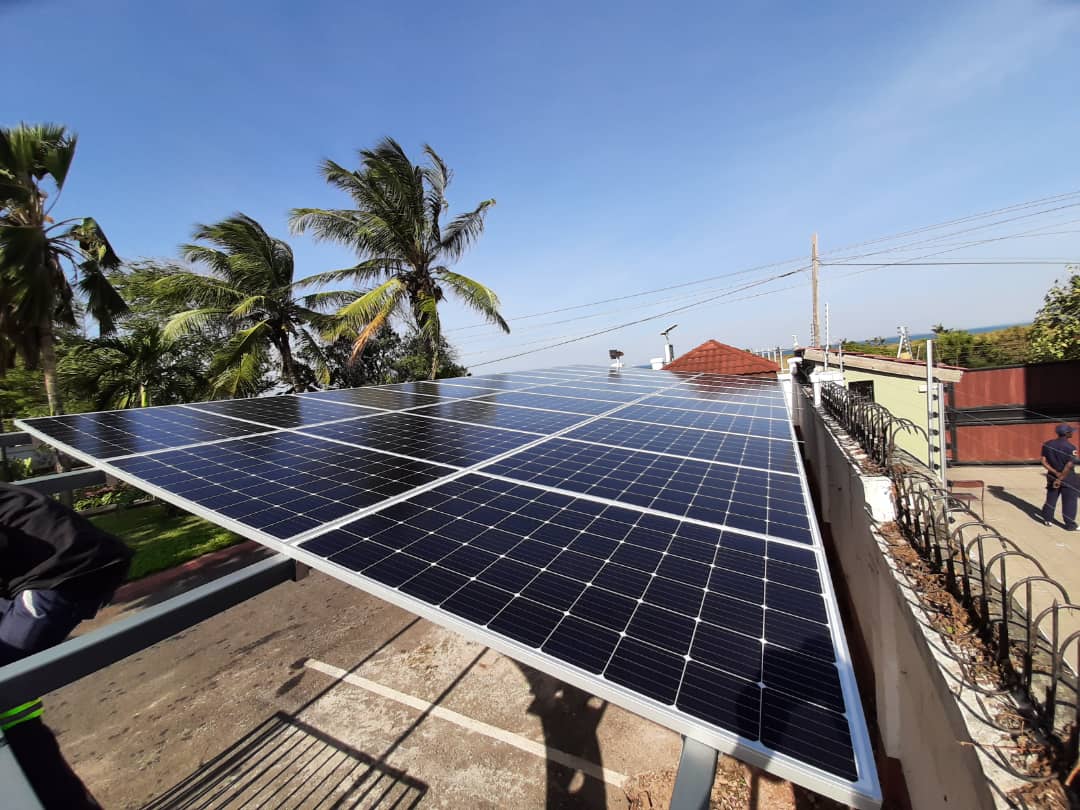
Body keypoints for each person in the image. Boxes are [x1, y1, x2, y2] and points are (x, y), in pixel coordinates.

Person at [1, 481, 133, 809]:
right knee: (10, 694)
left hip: (66, 575)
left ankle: (50, 789)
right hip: (60, 568)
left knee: (5, 679)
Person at [1040, 424, 1079, 531]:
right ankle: (1070, 524)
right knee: (1069, 501)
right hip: (1068, 477)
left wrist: (1055, 473)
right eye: (1071, 432)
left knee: (1051, 497)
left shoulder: (1047, 444)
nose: (1072, 433)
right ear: (1066, 434)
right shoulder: (1071, 448)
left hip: (1052, 475)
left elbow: (1043, 461)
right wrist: (1060, 478)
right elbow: (1069, 465)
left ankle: (1048, 519)